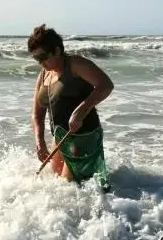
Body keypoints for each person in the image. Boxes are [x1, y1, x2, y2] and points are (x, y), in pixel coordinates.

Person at [28, 23, 114, 187]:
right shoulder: (44, 74)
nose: (40, 63)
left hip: (83, 136)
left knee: (67, 187)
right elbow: (37, 114)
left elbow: (106, 85)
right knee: (55, 184)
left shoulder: (75, 64)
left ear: (57, 50)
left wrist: (81, 110)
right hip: (60, 137)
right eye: (36, 58)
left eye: (42, 57)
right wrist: (39, 141)